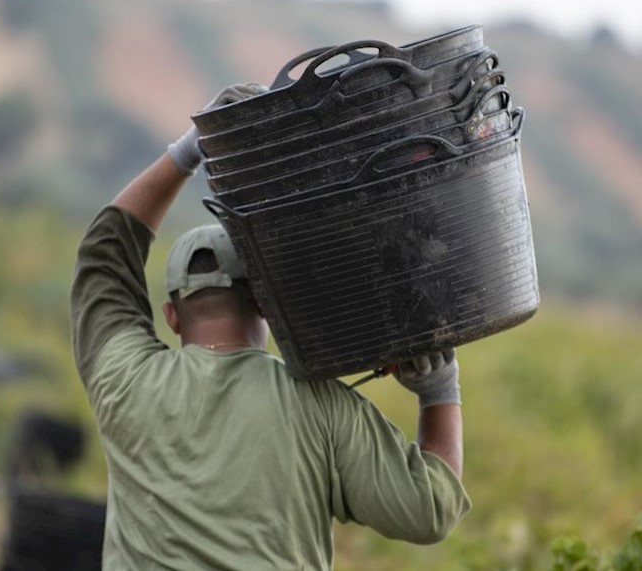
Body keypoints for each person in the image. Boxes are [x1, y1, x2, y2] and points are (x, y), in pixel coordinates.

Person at [70, 84, 470, 569]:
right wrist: (438, 389)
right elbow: (429, 509)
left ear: (172, 317)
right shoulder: (320, 404)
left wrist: (190, 150)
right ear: (265, 304)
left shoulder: (124, 381)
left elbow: (105, 251)